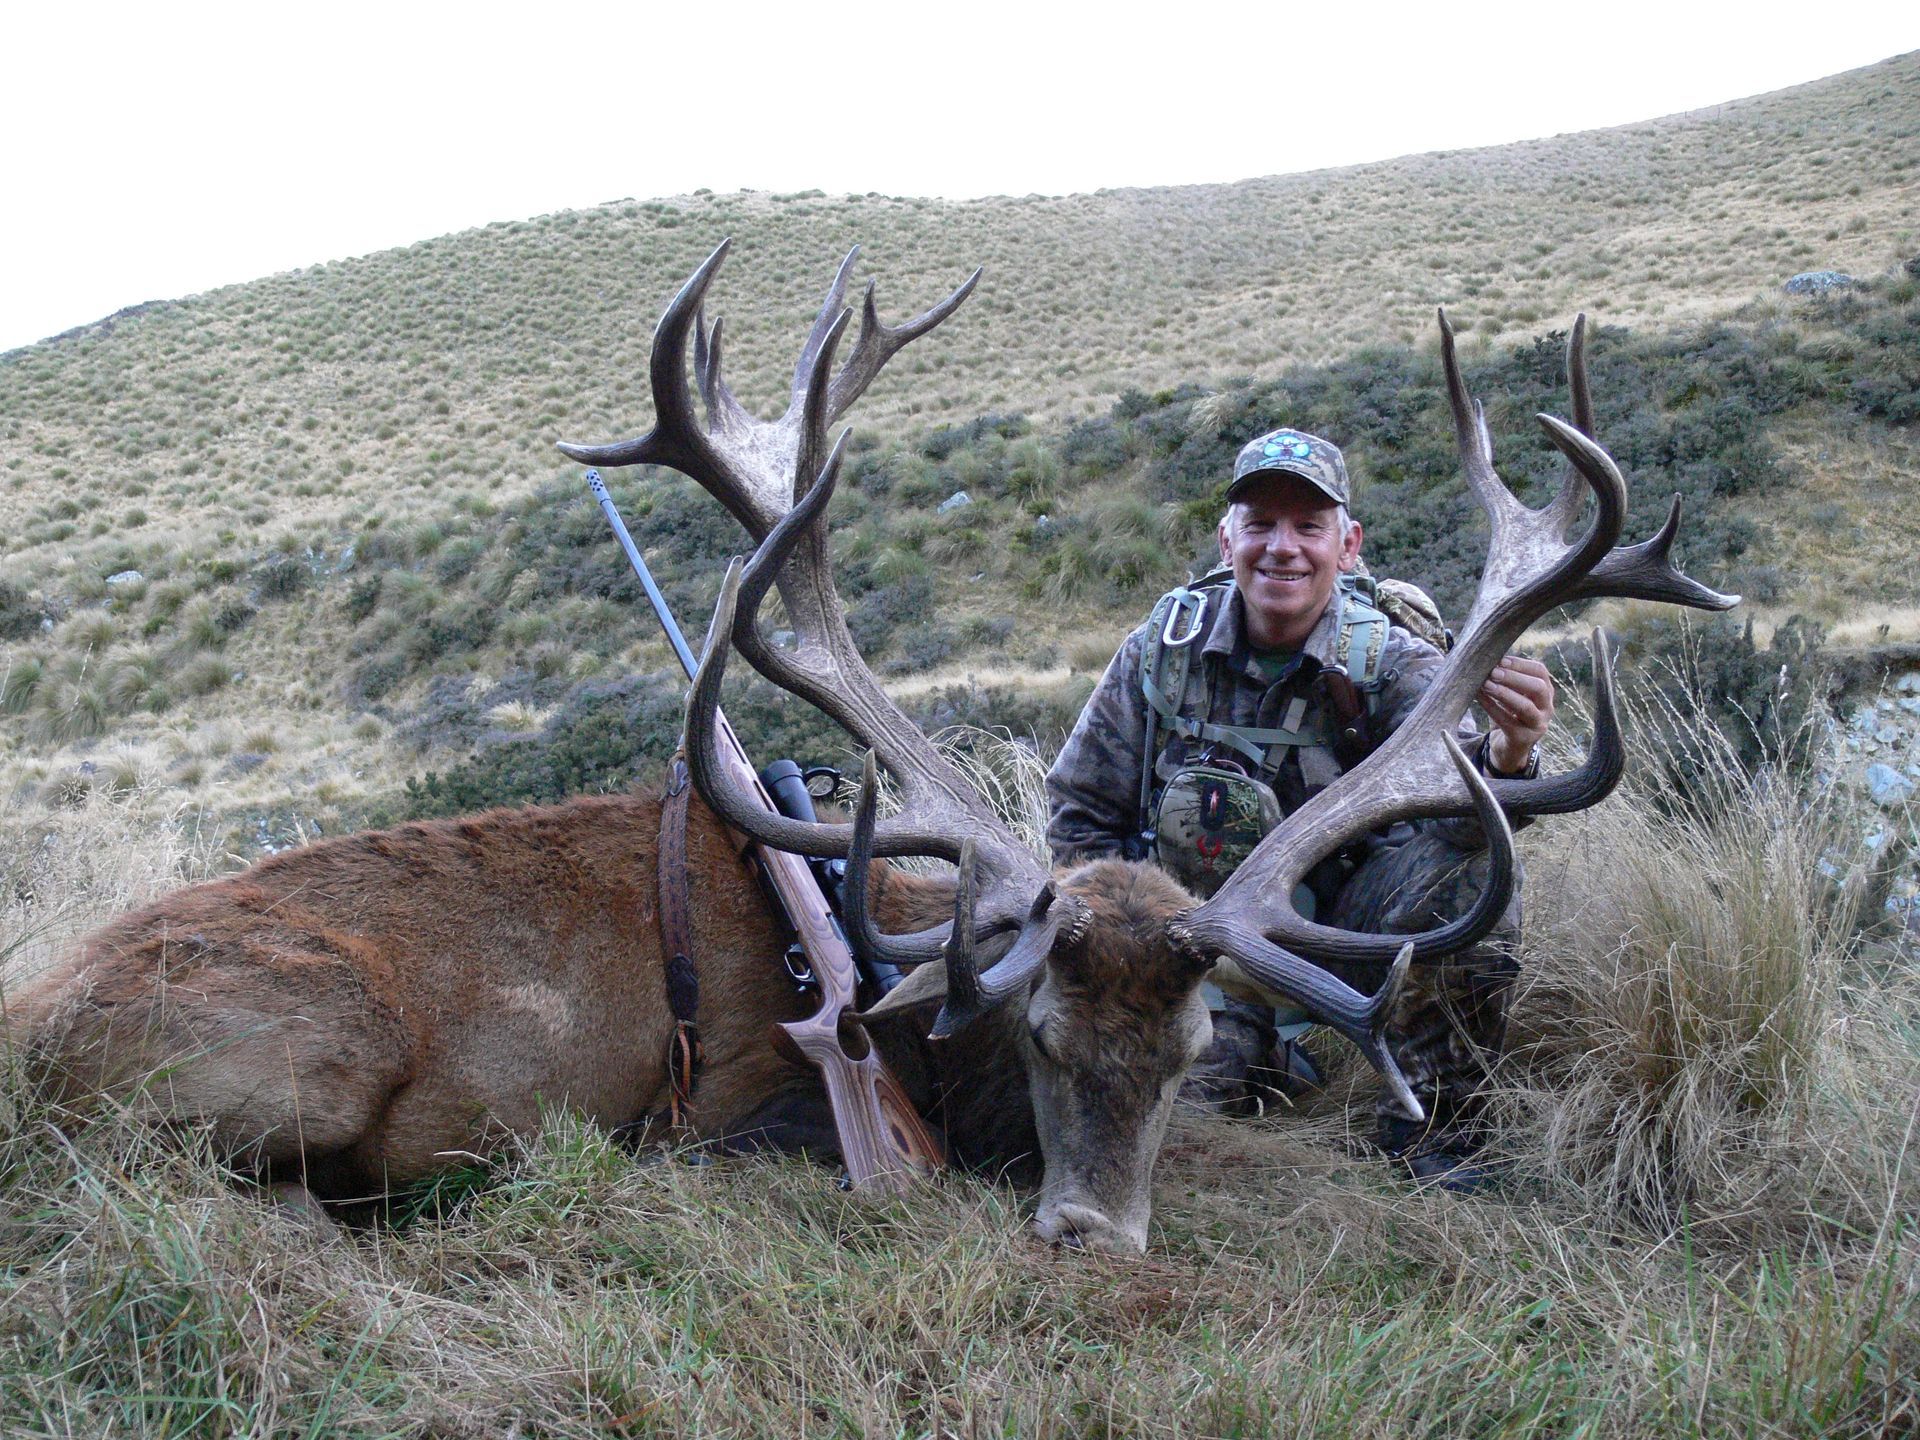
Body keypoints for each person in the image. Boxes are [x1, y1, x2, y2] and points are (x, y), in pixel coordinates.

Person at [1044, 427, 1556, 1191]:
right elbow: (1081, 811)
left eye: (1307, 527)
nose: (1282, 547)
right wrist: (1114, 947)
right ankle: (1268, 1056)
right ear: (1228, 541)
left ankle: (1440, 1135)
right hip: (1190, 950)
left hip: (1333, 938)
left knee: (1472, 883)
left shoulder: (1393, 663)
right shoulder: (1160, 652)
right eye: (1260, 524)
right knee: (1189, 1128)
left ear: (1346, 546)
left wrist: (1510, 755)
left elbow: (1463, 828)